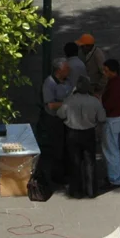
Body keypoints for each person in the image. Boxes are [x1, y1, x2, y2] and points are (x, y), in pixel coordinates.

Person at [58, 77, 106, 199]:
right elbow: (102, 118)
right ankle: (91, 191)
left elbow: (60, 114)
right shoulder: (94, 102)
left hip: (72, 133)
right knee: (90, 162)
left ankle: (76, 191)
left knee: (75, 162)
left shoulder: (69, 101)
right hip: (89, 133)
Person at [39, 59, 72, 188]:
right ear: (59, 70)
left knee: (65, 146)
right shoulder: (49, 84)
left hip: (66, 118)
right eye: (66, 69)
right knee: (57, 147)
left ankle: (65, 171)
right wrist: (68, 103)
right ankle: (57, 175)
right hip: (54, 120)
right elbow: (51, 105)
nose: (69, 71)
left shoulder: (67, 80)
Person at [100, 59, 120, 188]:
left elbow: (109, 104)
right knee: (113, 149)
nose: (104, 73)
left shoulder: (115, 85)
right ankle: (117, 175)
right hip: (116, 119)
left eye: (106, 71)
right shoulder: (119, 83)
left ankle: (114, 178)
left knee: (110, 151)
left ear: (113, 71)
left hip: (111, 119)